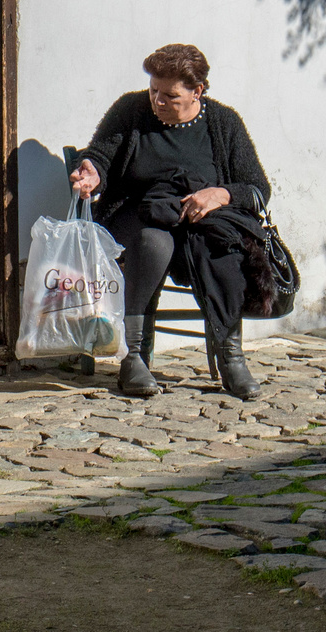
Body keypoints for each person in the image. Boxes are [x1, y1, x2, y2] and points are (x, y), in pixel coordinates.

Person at [66, 44, 274, 401]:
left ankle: (232, 358)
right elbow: (101, 154)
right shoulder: (131, 109)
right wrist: (91, 172)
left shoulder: (223, 123)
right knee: (153, 242)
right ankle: (135, 357)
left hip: (198, 224)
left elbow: (257, 187)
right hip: (137, 214)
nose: (157, 100)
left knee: (221, 249)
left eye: (170, 95)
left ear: (198, 91)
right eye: (153, 91)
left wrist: (218, 195)